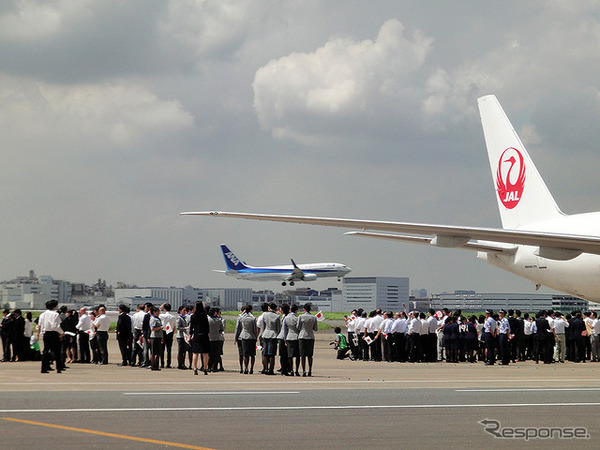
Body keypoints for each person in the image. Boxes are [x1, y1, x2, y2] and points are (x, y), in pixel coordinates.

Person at [38, 300, 65, 374]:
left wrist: (42, 333)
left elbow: (40, 325)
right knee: (57, 351)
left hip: (46, 333)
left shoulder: (42, 314)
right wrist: (62, 332)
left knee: (46, 351)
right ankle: (59, 367)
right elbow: (55, 326)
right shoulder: (55, 314)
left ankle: (44, 368)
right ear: (54, 306)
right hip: (53, 334)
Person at [234, 304, 258, 374]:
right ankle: (251, 369)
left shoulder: (241, 318)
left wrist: (235, 338)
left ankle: (245, 368)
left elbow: (238, 328)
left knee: (245, 354)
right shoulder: (253, 318)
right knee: (252, 355)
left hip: (243, 336)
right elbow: (255, 329)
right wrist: (256, 337)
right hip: (252, 337)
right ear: (251, 310)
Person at [296, 303, 318, 377]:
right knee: (310, 355)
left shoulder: (301, 316)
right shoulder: (313, 317)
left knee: (302, 355)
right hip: (310, 337)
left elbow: (298, 327)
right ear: (310, 309)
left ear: (304, 309)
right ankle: (310, 370)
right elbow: (316, 329)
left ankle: (304, 371)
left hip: (302, 336)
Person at [190, 301, 210, 375]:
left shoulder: (193, 316)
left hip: (196, 334)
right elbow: (207, 326)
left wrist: (190, 334)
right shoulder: (204, 315)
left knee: (195, 353)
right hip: (204, 334)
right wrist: (208, 333)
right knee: (205, 353)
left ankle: (195, 368)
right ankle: (205, 368)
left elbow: (191, 327)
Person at [260, 302, 281, 375]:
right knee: (272, 354)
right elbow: (279, 328)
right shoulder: (277, 316)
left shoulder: (265, 315)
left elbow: (263, 326)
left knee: (265, 353)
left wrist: (262, 334)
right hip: (273, 335)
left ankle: (265, 369)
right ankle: (271, 369)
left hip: (266, 334)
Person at [284, 304, 300, 375]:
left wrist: (285, 339)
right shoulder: (298, 318)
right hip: (297, 337)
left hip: (289, 336)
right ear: (296, 310)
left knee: (290, 355)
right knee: (297, 356)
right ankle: (296, 370)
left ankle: (291, 370)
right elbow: (299, 328)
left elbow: (285, 330)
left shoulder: (286, 318)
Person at [207, 308, 225, 372]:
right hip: (217, 338)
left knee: (210, 354)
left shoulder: (208, 320)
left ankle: (209, 367)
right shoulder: (219, 320)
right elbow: (222, 329)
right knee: (216, 354)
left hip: (209, 338)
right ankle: (215, 367)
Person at [159, 303, 176, 369]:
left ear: (164, 309)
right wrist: (172, 334)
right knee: (169, 349)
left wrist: (161, 306)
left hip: (163, 332)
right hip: (170, 332)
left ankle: (162, 363)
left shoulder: (162, 316)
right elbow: (174, 327)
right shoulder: (173, 317)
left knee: (162, 349)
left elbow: (157, 312)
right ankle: (168, 363)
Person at [149, 306, 164, 370]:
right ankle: (153, 365)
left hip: (158, 336)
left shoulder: (158, 318)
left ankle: (156, 365)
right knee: (154, 352)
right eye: (157, 312)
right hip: (154, 337)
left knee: (157, 353)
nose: (159, 313)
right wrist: (160, 328)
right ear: (154, 312)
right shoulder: (153, 319)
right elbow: (152, 328)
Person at [277, 303, 291, 375]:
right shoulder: (284, 317)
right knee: (284, 355)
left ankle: (285, 368)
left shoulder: (286, 317)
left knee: (284, 355)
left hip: (283, 336)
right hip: (283, 336)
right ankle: (284, 368)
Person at [176, 305, 190, 370]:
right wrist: (185, 328)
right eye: (183, 310)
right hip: (180, 336)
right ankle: (180, 364)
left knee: (183, 351)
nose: (185, 312)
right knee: (180, 351)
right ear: (180, 311)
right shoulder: (179, 318)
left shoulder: (184, 317)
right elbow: (178, 327)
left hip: (184, 336)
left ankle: (182, 363)